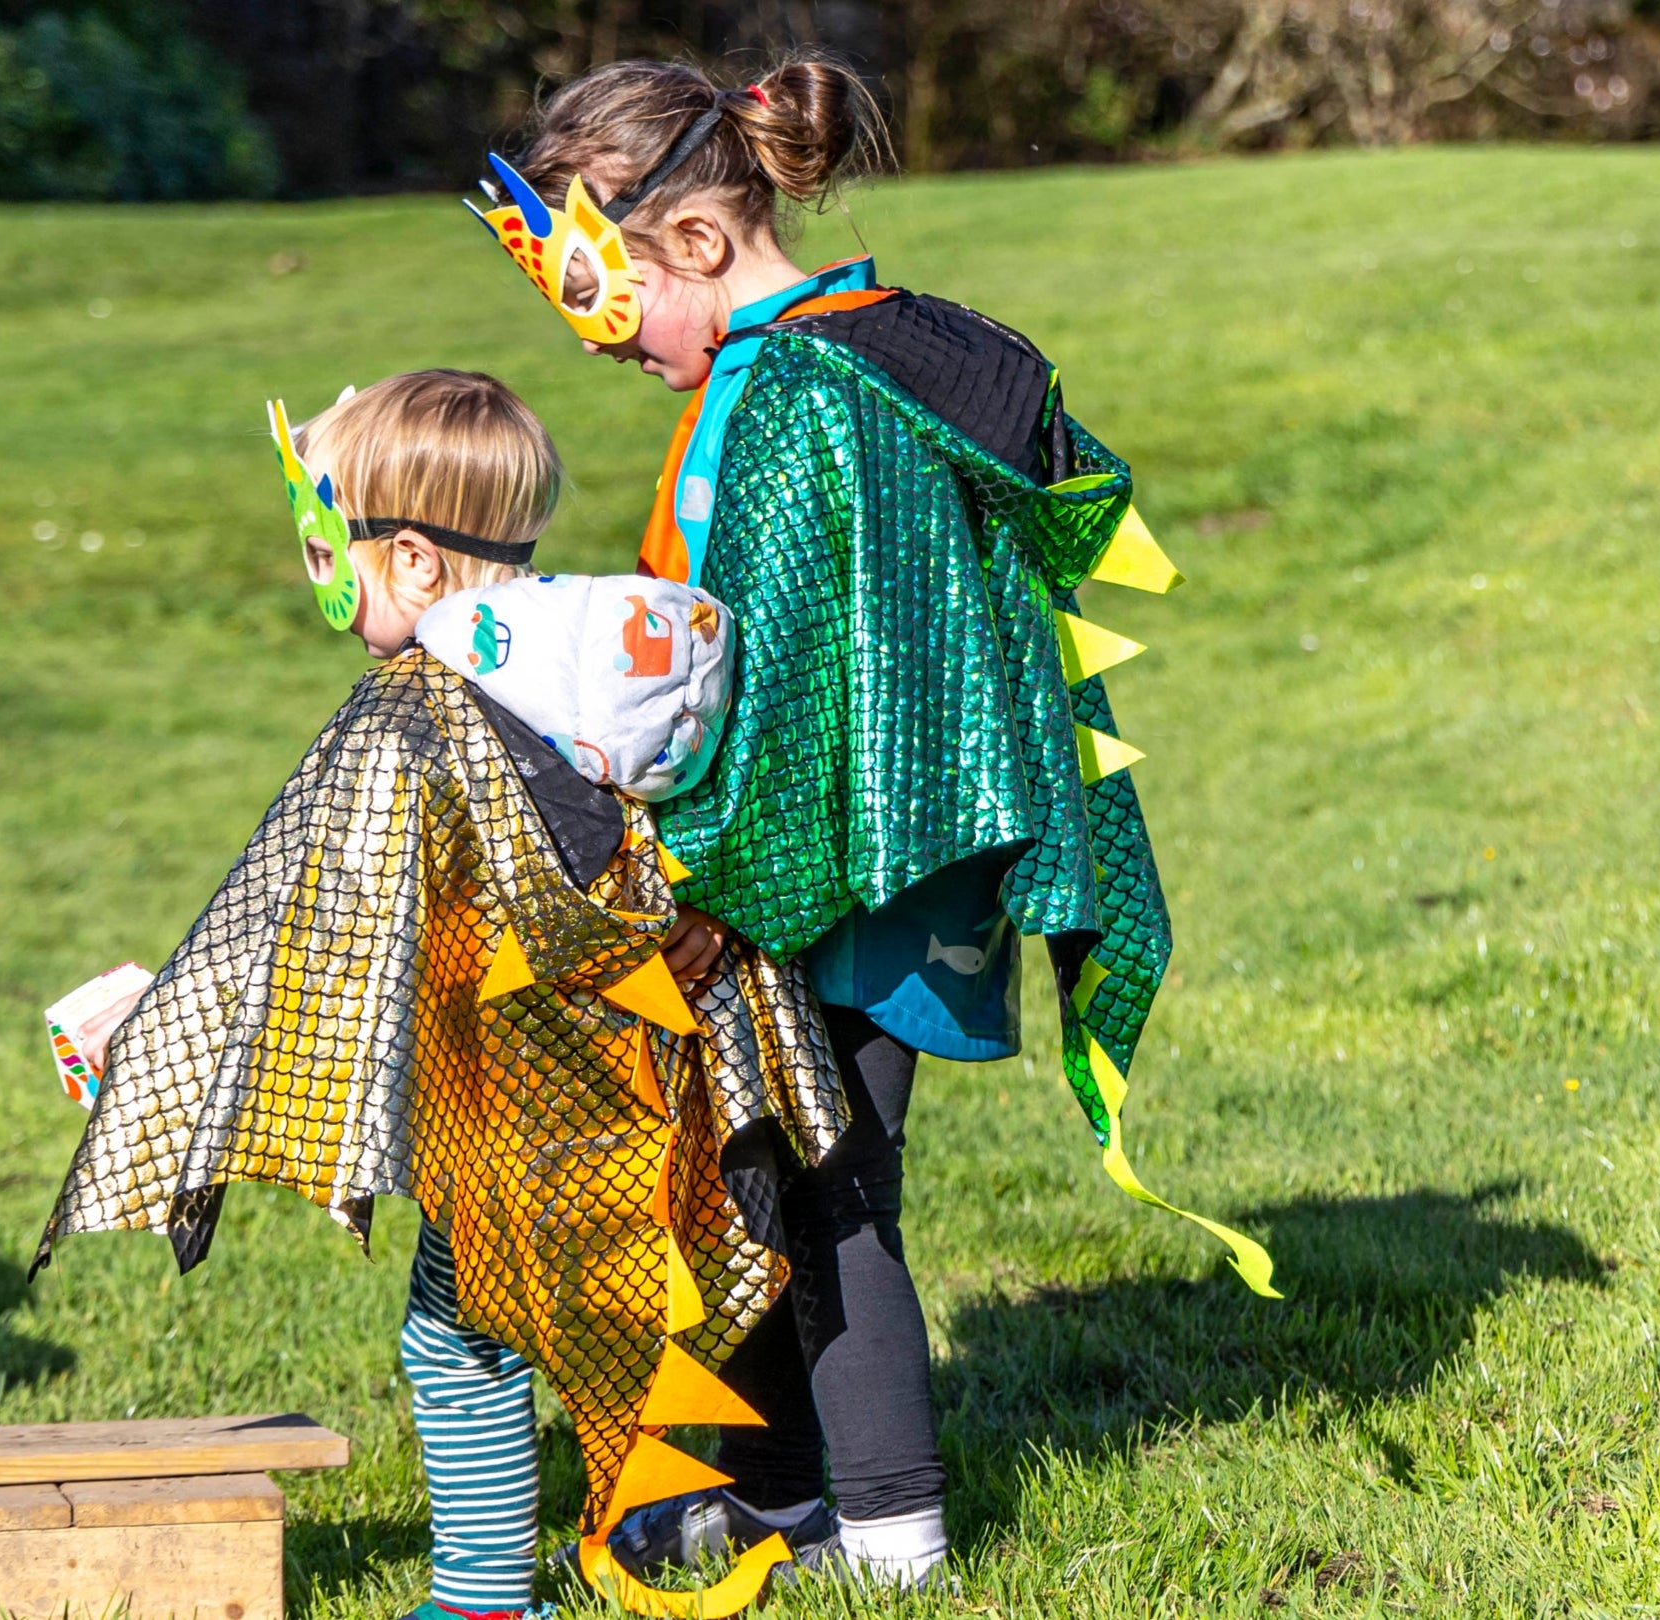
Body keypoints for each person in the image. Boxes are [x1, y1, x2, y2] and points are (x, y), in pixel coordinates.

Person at [466, 55, 1277, 1597]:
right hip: (857, 849)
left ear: (696, 240)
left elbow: (787, 695)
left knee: (827, 1182)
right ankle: (778, 1504)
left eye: (604, 298)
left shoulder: (799, 396)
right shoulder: (831, 360)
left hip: (843, 863)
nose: (602, 342)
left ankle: (896, 1541)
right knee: (764, 1169)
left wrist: (699, 874)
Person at [32, 369, 851, 1620]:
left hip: (522, 1115)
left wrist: (168, 1037)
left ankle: (481, 1595)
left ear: (412, 560)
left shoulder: (412, 714)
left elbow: (320, 917)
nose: (315, 578)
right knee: (574, 1317)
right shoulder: (608, 686)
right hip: (631, 1095)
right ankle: (703, 1511)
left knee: (456, 1337)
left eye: (327, 551)